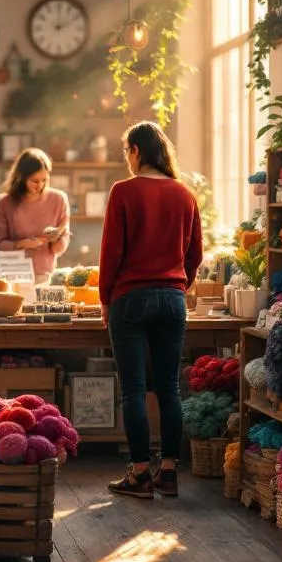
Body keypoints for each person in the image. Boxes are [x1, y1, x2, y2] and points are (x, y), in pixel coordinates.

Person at [98, 122, 203, 499]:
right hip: (173, 299)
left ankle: (141, 474)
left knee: (133, 390)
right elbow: (195, 255)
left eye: (127, 151)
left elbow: (112, 251)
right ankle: (170, 472)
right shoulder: (184, 194)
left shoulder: (123, 192)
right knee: (170, 388)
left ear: (137, 151)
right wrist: (179, 284)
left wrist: (105, 298)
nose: (127, 159)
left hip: (131, 298)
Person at [0, 148, 71, 279]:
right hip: (13, 276)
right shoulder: (4, 203)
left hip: (46, 275)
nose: (40, 185)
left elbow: (65, 238)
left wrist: (56, 241)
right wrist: (21, 244)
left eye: (44, 180)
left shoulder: (59, 199)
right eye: (35, 181)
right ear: (21, 178)